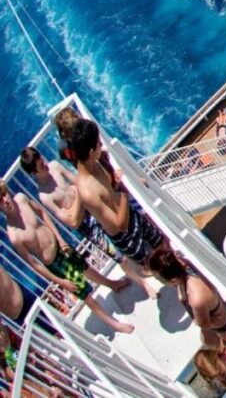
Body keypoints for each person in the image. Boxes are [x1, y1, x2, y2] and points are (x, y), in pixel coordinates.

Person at [0, 182, 133, 334]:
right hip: (54, 262)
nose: (5, 201)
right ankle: (114, 324)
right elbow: (34, 264)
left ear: (7, 191)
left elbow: (42, 213)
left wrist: (60, 239)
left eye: (3, 195)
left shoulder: (22, 199)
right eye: (0, 201)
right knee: (84, 293)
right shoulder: (14, 235)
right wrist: (60, 281)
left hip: (59, 245)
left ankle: (112, 284)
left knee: (84, 267)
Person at [69, 119, 165, 297]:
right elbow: (119, 224)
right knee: (155, 263)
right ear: (91, 151)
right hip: (124, 235)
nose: (101, 145)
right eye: (98, 143)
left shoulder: (95, 164)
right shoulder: (87, 191)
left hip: (130, 213)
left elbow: (110, 187)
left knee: (162, 242)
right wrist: (125, 194)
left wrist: (118, 183)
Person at [22, 146, 123, 268]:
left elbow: (78, 182)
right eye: (41, 166)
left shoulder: (55, 166)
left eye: (42, 159)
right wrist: (78, 194)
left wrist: (74, 206)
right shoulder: (44, 196)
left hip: (93, 207)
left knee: (122, 234)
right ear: (34, 173)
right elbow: (73, 222)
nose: (45, 164)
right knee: (117, 255)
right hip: (87, 226)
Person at [148, 251, 226, 350]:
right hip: (223, 306)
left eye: (159, 280)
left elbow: (205, 325)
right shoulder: (186, 264)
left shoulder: (196, 299)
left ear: (172, 280)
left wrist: (190, 310)